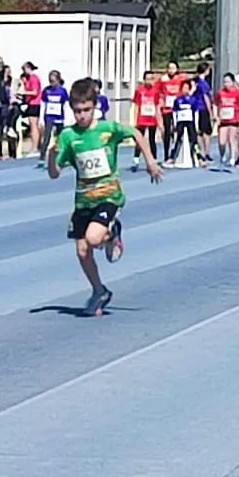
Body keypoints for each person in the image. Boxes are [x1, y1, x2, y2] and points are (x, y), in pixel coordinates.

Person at [46, 77, 164, 318]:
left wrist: (150, 161)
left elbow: (137, 134)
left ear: (94, 107)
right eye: (77, 111)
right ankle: (99, 290)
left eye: (86, 110)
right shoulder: (67, 137)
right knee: (82, 251)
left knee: (92, 237)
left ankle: (112, 233)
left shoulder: (107, 129)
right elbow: (54, 174)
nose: (81, 116)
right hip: (83, 200)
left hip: (109, 195)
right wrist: (51, 155)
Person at [39, 70, 70, 164]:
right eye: (50, 81)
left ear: (58, 80)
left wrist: (67, 118)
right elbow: (43, 104)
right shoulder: (46, 90)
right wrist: (41, 119)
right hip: (49, 117)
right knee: (46, 137)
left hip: (59, 117)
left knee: (61, 138)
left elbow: (66, 105)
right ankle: (42, 157)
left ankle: (63, 157)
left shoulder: (62, 91)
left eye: (53, 81)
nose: (51, 83)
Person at [215, 72, 239, 170]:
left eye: (228, 82)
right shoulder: (220, 93)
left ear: (233, 82)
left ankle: (232, 158)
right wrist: (216, 116)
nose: (226, 84)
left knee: (232, 139)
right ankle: (222, 155)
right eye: (224, 82)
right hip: (223, 119)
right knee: (221, 141)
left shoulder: (238, 93)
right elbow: (216, 104)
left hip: (234, 118)